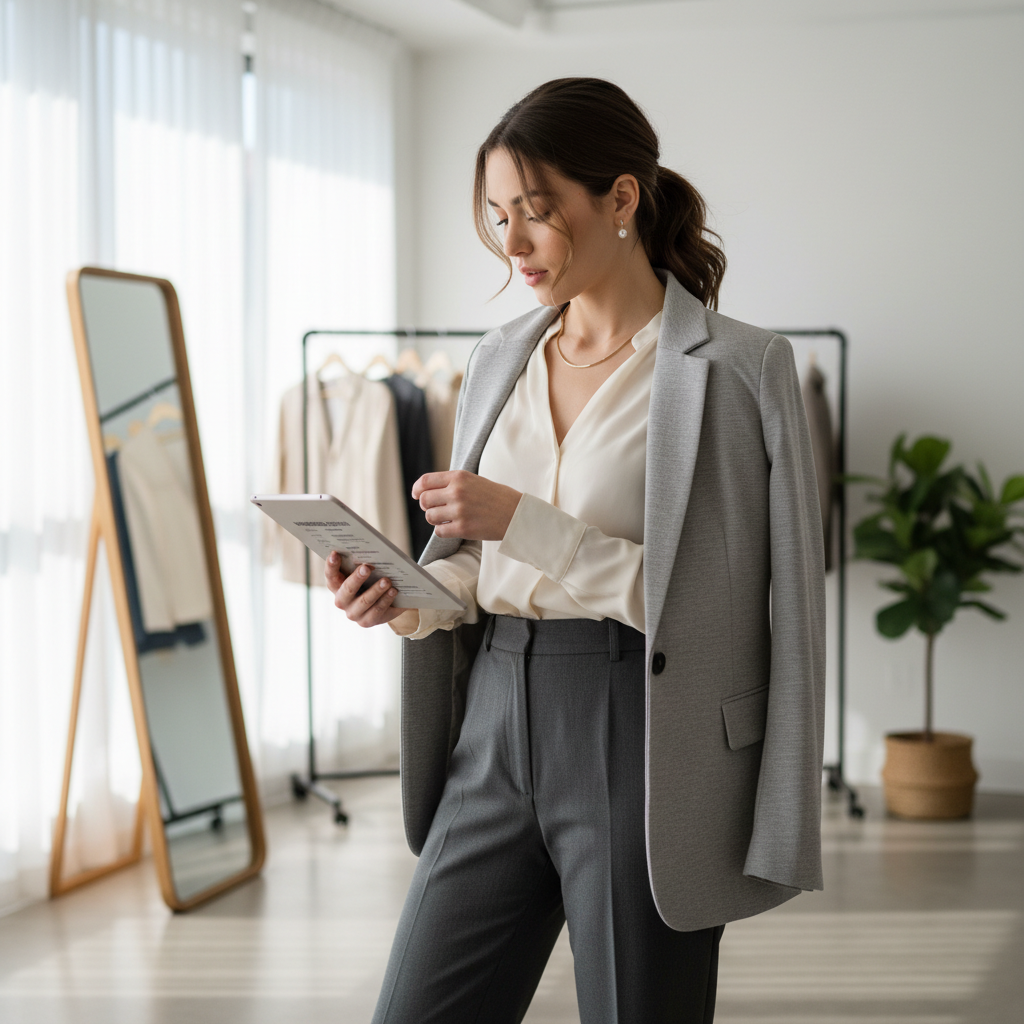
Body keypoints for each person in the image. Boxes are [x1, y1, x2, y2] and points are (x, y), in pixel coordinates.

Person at [326, 77, 825, 1024]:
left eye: (538, 214)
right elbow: (481, 568)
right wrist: (408, 597)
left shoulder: (736, 370)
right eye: (498, 216)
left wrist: (523, 520)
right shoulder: (498, 356)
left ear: (622, 198)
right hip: (491, 721)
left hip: (641, 725)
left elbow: (727, 610)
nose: (512, 245)